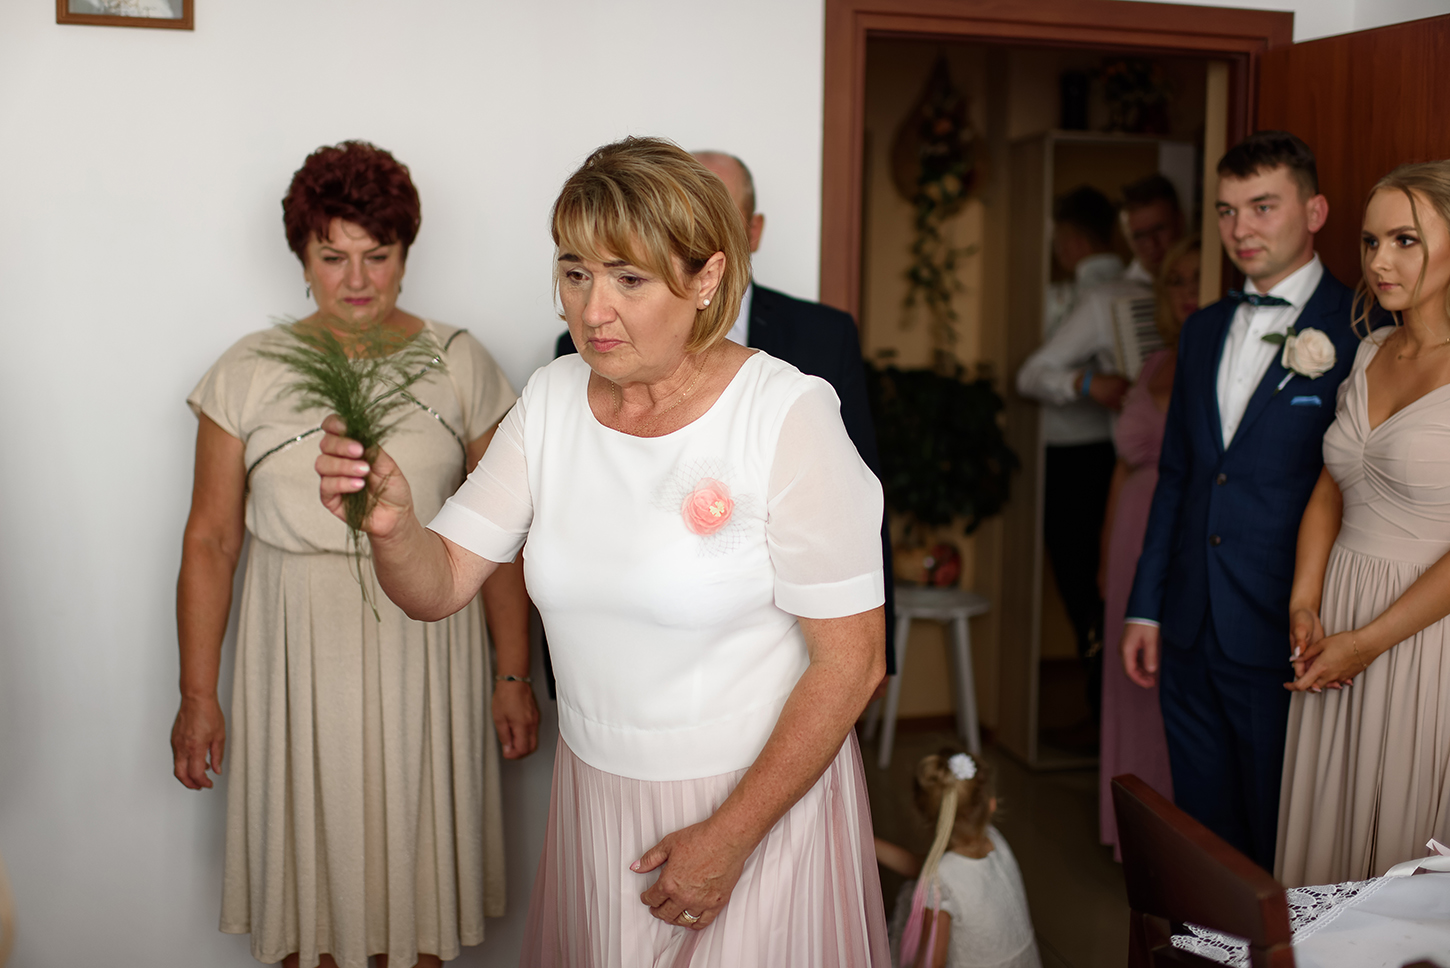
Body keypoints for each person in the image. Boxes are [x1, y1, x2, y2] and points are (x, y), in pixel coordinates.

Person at [316, 137, 890, 965]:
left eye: (629, 279)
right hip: (597, 798)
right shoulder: (552, 400)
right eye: (575, 273)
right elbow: (437, 586)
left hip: (756, 809)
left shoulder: (786, 413)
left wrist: (729, 837)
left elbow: (852, 662)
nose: (592, 311)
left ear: (706, 278)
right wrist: (394, 526)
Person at [171, 141, 539, 968]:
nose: (358, 279)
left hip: (428, 645)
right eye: (333, 256)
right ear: (302, 259)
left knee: (419, 894)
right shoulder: (247, 371)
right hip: (293, 649)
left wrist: (513, 675)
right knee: (308, 902)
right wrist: (198, 695)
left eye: (379, 254)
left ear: (406, 251)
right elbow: (211, 539)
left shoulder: (461, 362)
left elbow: (501, 535)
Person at [551, 149, 897, 678]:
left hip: (780, 662)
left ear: (751, 232)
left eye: (719, 216)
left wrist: (872, 657)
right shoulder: (578, 358)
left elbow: (859, 496)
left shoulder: (821, 338)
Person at [1121, 131, 1360, 871]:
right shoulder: (1201, 329)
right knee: (1202, 840)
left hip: (1285, 626)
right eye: (1227, 211)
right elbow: (1180, 476)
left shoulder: (1360, 329)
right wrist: (1146, 607)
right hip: (1189, 623)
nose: (1240, 229)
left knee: (1279, 838)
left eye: (1262, 206)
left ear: (1314, 211)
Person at [1276, 161, 1450, 885]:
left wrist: (1368, 643)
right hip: (1340, 617)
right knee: (1329, 829)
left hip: (1425, 635)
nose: (1379, 262)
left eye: (1405, 240)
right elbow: (1332, 484)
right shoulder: (1373, 347)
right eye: (1371, 241)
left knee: (1401, 851)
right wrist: (1305, 601)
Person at [1018, 180, 1184, 728]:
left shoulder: (1208, 286)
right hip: (1131, 470)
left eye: (1162, 230)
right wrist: (1089, 383)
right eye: (1140, 236)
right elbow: (1033, 373)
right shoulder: (1111, 298)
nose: (1154, 247)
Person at [1096, 236, 1200, 857]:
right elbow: (1121, 466)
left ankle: (1177, 838)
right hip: (1130, 536)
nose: (1186, 292)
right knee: (1125, 679)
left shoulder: (1217, 360)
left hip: (1183, 534)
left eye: (1197, 279)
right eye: (1176, 281)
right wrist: (1106, 550)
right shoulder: (1153, 363)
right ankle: (1127, 830)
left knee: (1169, 680)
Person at [875, 751, 1039, 968]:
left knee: (910, 896)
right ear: (990, 805)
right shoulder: (994, 839)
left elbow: (931, 964)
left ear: (924, 812)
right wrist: (864, 841)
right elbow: (921, 867)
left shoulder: (942, 877)